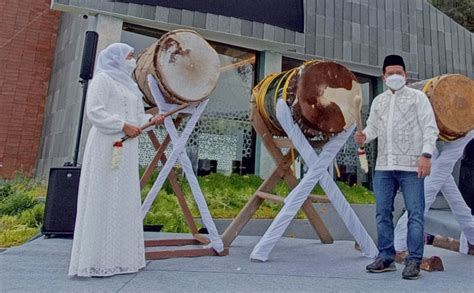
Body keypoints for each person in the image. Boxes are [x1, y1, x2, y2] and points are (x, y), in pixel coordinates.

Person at [68, 43, 164, 277]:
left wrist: (150, 120)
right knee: (102, 195)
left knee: (122, 197)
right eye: (129, 56)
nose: (132, 60)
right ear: (116, 59)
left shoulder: (130, 85)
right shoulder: (102, 80)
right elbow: (95, 111)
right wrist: (122, 125)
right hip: (105, 144)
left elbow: (138, 116)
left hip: (126, 149)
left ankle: (120, 258)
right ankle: (95, 260)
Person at [355, 55, 439, 280]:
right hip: (384, 166)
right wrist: (364, 136)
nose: (394, 77)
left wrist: (426, 154)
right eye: (390, 73)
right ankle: (386, 257)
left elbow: (430, 128)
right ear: (384, 76)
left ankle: (414, 261)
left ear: (405, 74)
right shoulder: (378, 101)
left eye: (398, 73)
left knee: (415, 213)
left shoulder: (417, 98)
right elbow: (372, 127)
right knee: (382, 212)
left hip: (412, 165)